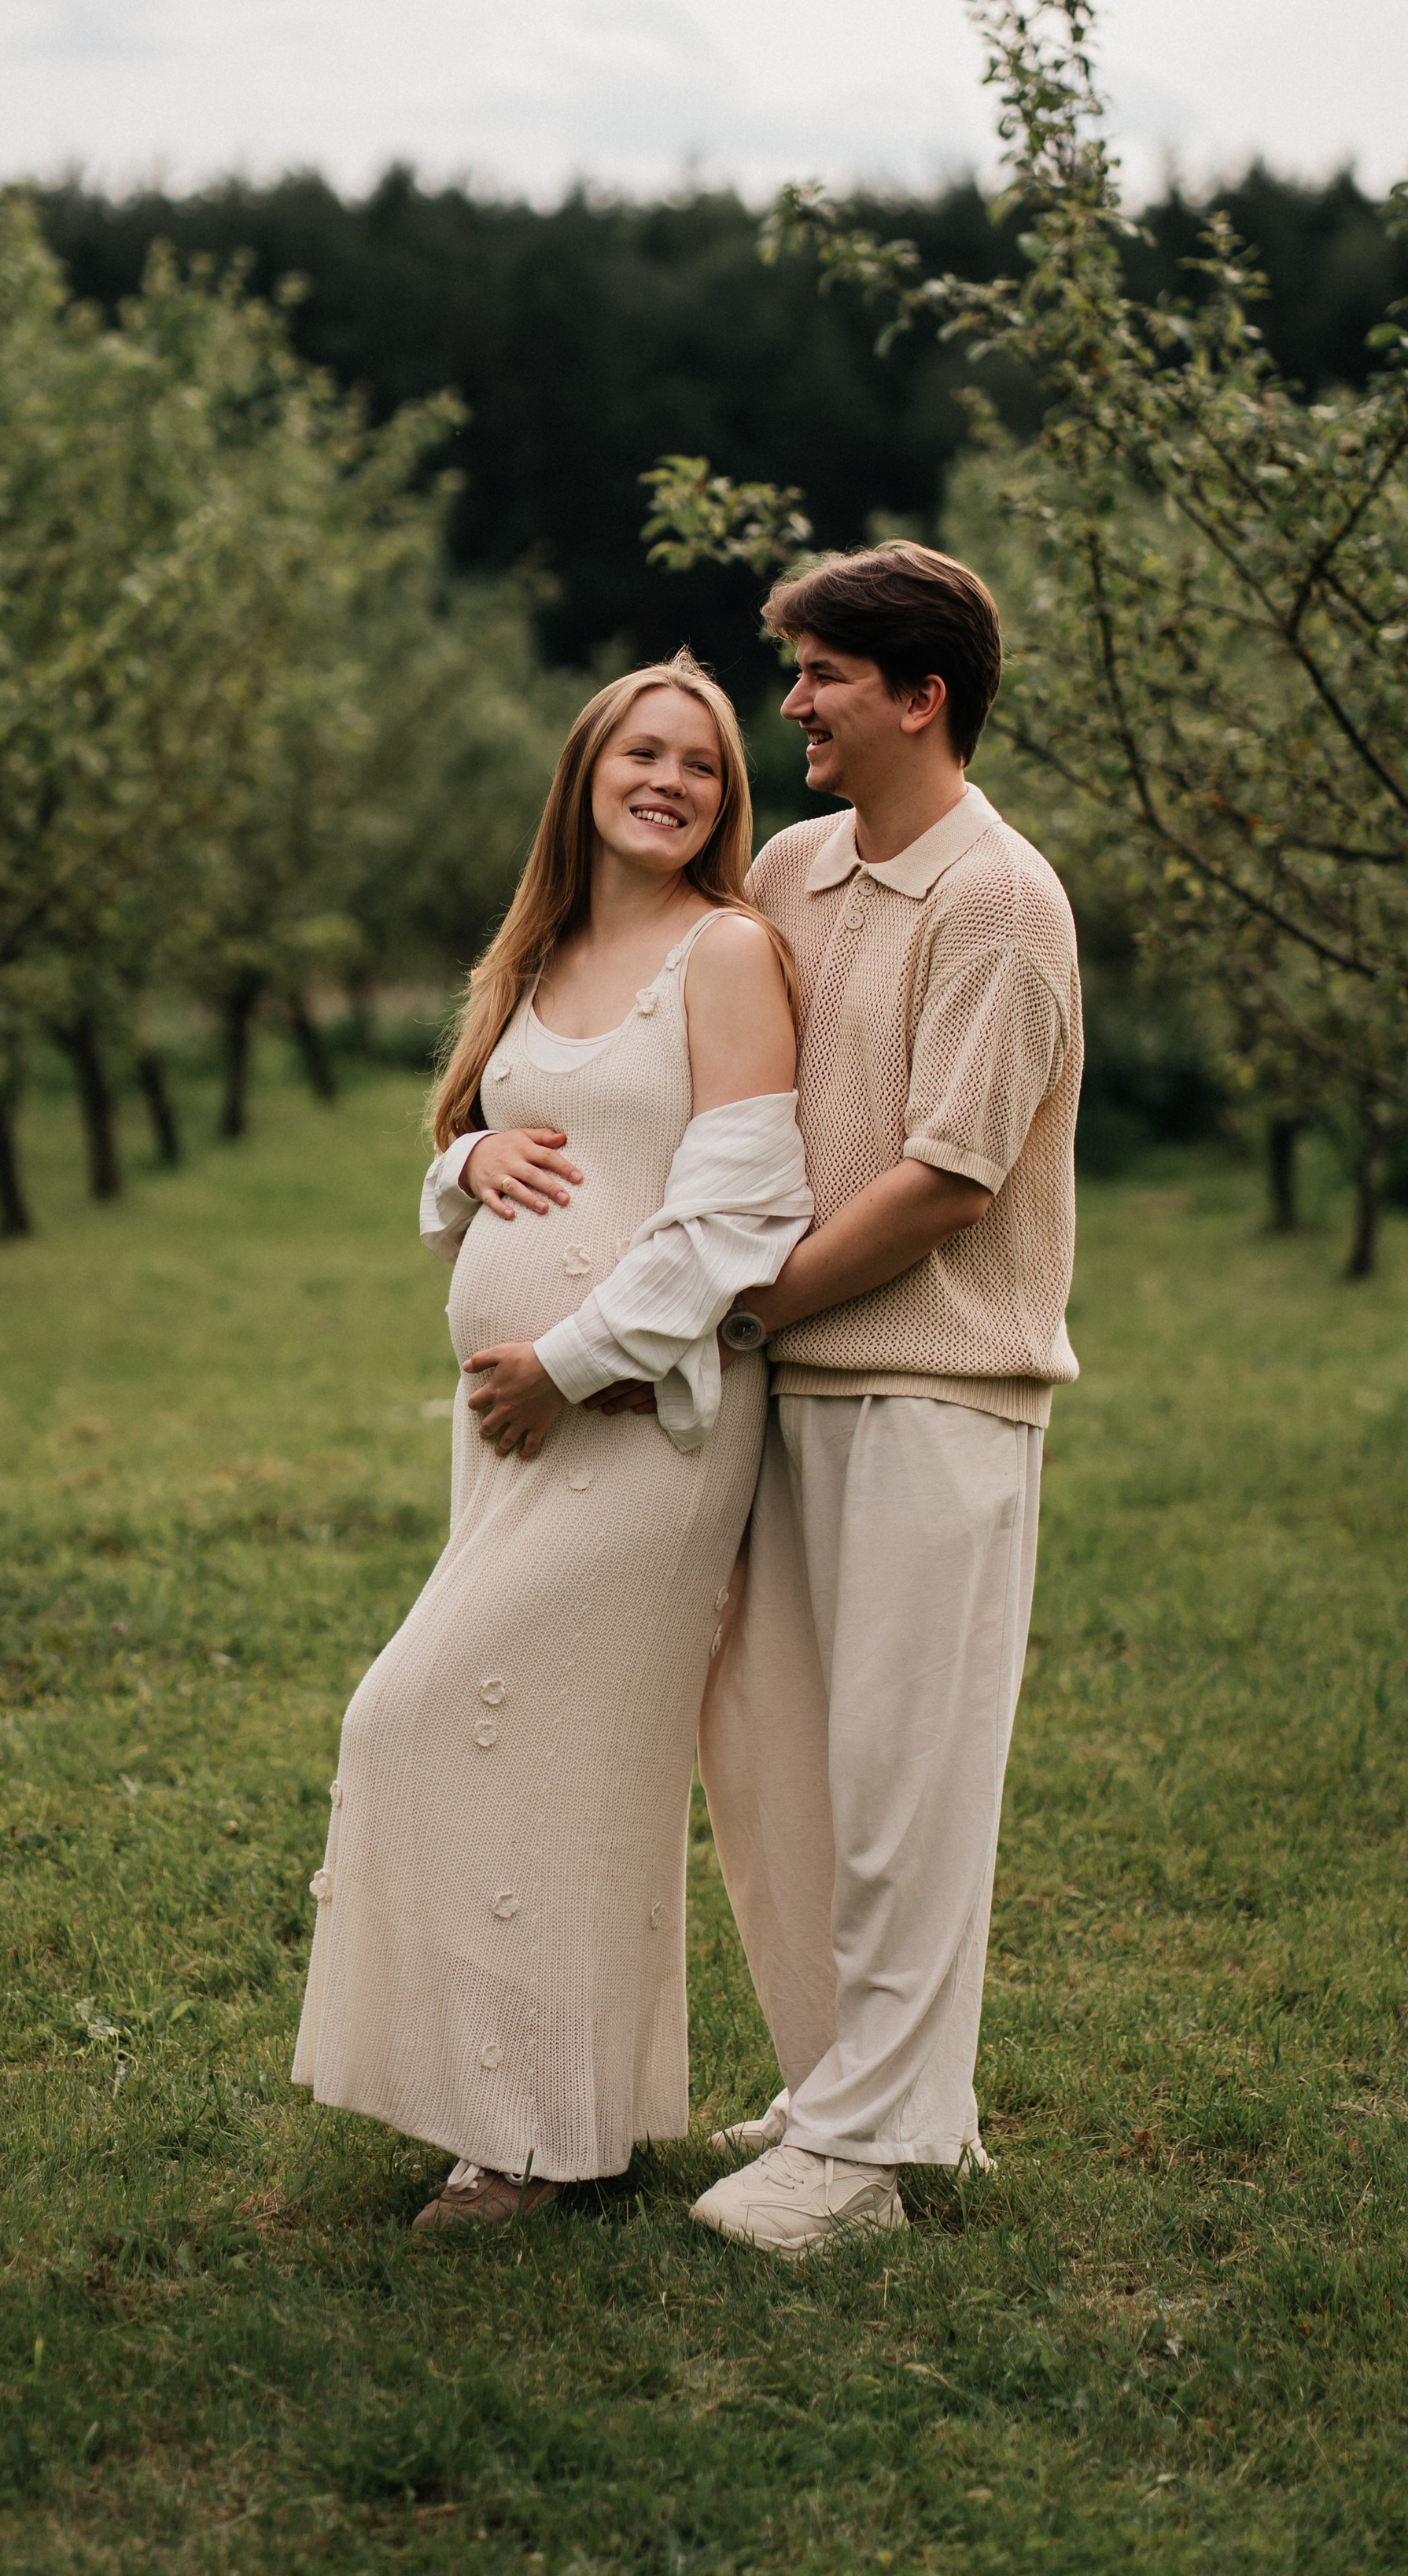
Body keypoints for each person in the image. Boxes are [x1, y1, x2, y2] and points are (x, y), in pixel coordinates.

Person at [292, 653, 813, 2229]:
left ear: (724, 801)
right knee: (536, 1758)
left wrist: (569, 1361)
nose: (668, 782)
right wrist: (463, 1165)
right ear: (582, 774)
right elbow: (461, 1179)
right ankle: (534, 2125)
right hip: (515, 1434)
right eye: (640, 753)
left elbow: (739, 1216)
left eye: (703, 766)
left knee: (418, 1718)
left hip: (641, 1425)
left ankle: (524, 2135)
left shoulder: (727, 955)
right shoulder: (542, 952)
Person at [689, 542, 1082, 2259]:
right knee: (781, 1765)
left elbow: (948, 1180)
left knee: (908, 1779)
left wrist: (746, 1301)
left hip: (934, 1392)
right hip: (782, 1391)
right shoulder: (786, 865)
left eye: (820, 675)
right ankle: (841, 2081)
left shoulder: (1004, 902)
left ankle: (868, 2159)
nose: (790, 706)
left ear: (919, 694)